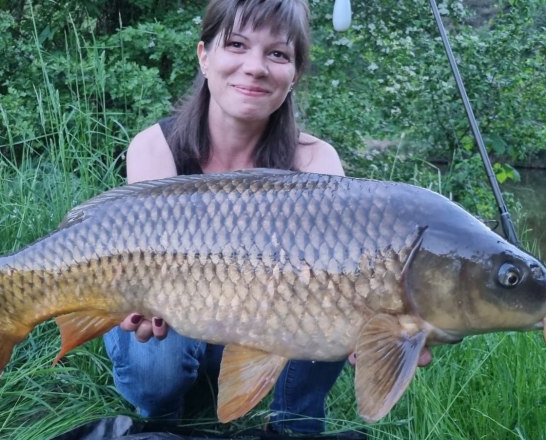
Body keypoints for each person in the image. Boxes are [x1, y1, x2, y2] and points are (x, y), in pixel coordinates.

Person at [103, 0, 431, 435]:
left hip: (267, 321)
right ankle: (165, 416)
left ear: (293, 74)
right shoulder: (154, 148)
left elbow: (340, 276)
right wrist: (133, 301)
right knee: (155, 355)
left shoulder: (317, 162)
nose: (255, 67)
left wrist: (384, 326)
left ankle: (293, 418)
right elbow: (133, 259)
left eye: (277, 54)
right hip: (182, 319)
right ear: (204, 56)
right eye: (236, 45)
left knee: (332, 308)